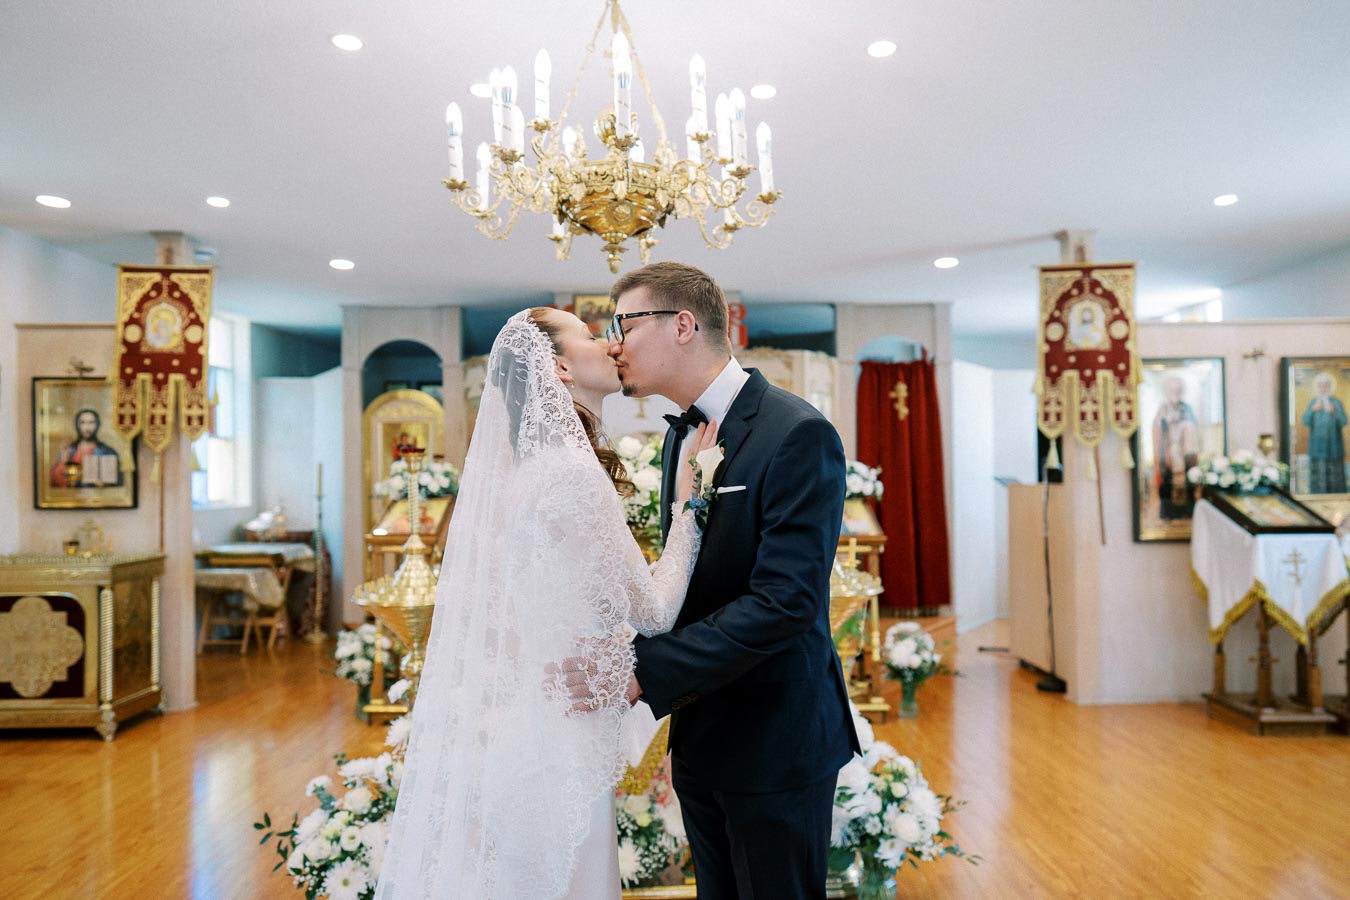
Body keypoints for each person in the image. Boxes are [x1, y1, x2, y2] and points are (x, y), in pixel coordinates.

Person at [375, 308, 718, 899]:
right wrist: (691, 503)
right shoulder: (569, 475)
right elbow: (656, 612)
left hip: (538, 715)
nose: (610, 343)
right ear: (558, 367)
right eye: (590, 336)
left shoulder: (532, 471)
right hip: (561, 734)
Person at [586, 261, 859, 898]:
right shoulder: (679, 439)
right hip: (703, 734)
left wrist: (641, 671)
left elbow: (786, 602)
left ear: (682, 325)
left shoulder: (796, 433)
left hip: (774, 743)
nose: (615, 342)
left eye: (625, 322)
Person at [1152, 376, 1198, 520]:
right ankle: (1169, 512)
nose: (1174, 392)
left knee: (1187, 479)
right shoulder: (1163, 408)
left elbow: (1193, 426)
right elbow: (1157, 427)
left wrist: (1185, 427)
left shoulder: (1186, 408)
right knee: (1168, 480)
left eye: (1177, 389)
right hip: (1169, 451)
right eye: (1171, 389)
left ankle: (1186, 511)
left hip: (1184, 451)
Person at [49, 408, 123, 488]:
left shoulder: (107, 452)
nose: (87, 428)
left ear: (97, 425)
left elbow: (116, 484)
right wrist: (64, 460)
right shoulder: (70, 450)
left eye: (91, 423)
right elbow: (56, 481)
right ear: (77, 425)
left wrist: (104, 484)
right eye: (82, 423)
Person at [1303, 373, 1347, 493]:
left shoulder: (1336, 402)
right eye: (1321, 385)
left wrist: (1334, 411)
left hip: (1334, 447)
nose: (1323, 388)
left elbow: (1344, 421)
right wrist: (1312, 410)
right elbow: (1305, 420)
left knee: (1335, 476)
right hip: (1317, 448)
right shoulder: (1313, 403)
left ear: (1329, 387)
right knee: (1319, 475)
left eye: (1326, 385)